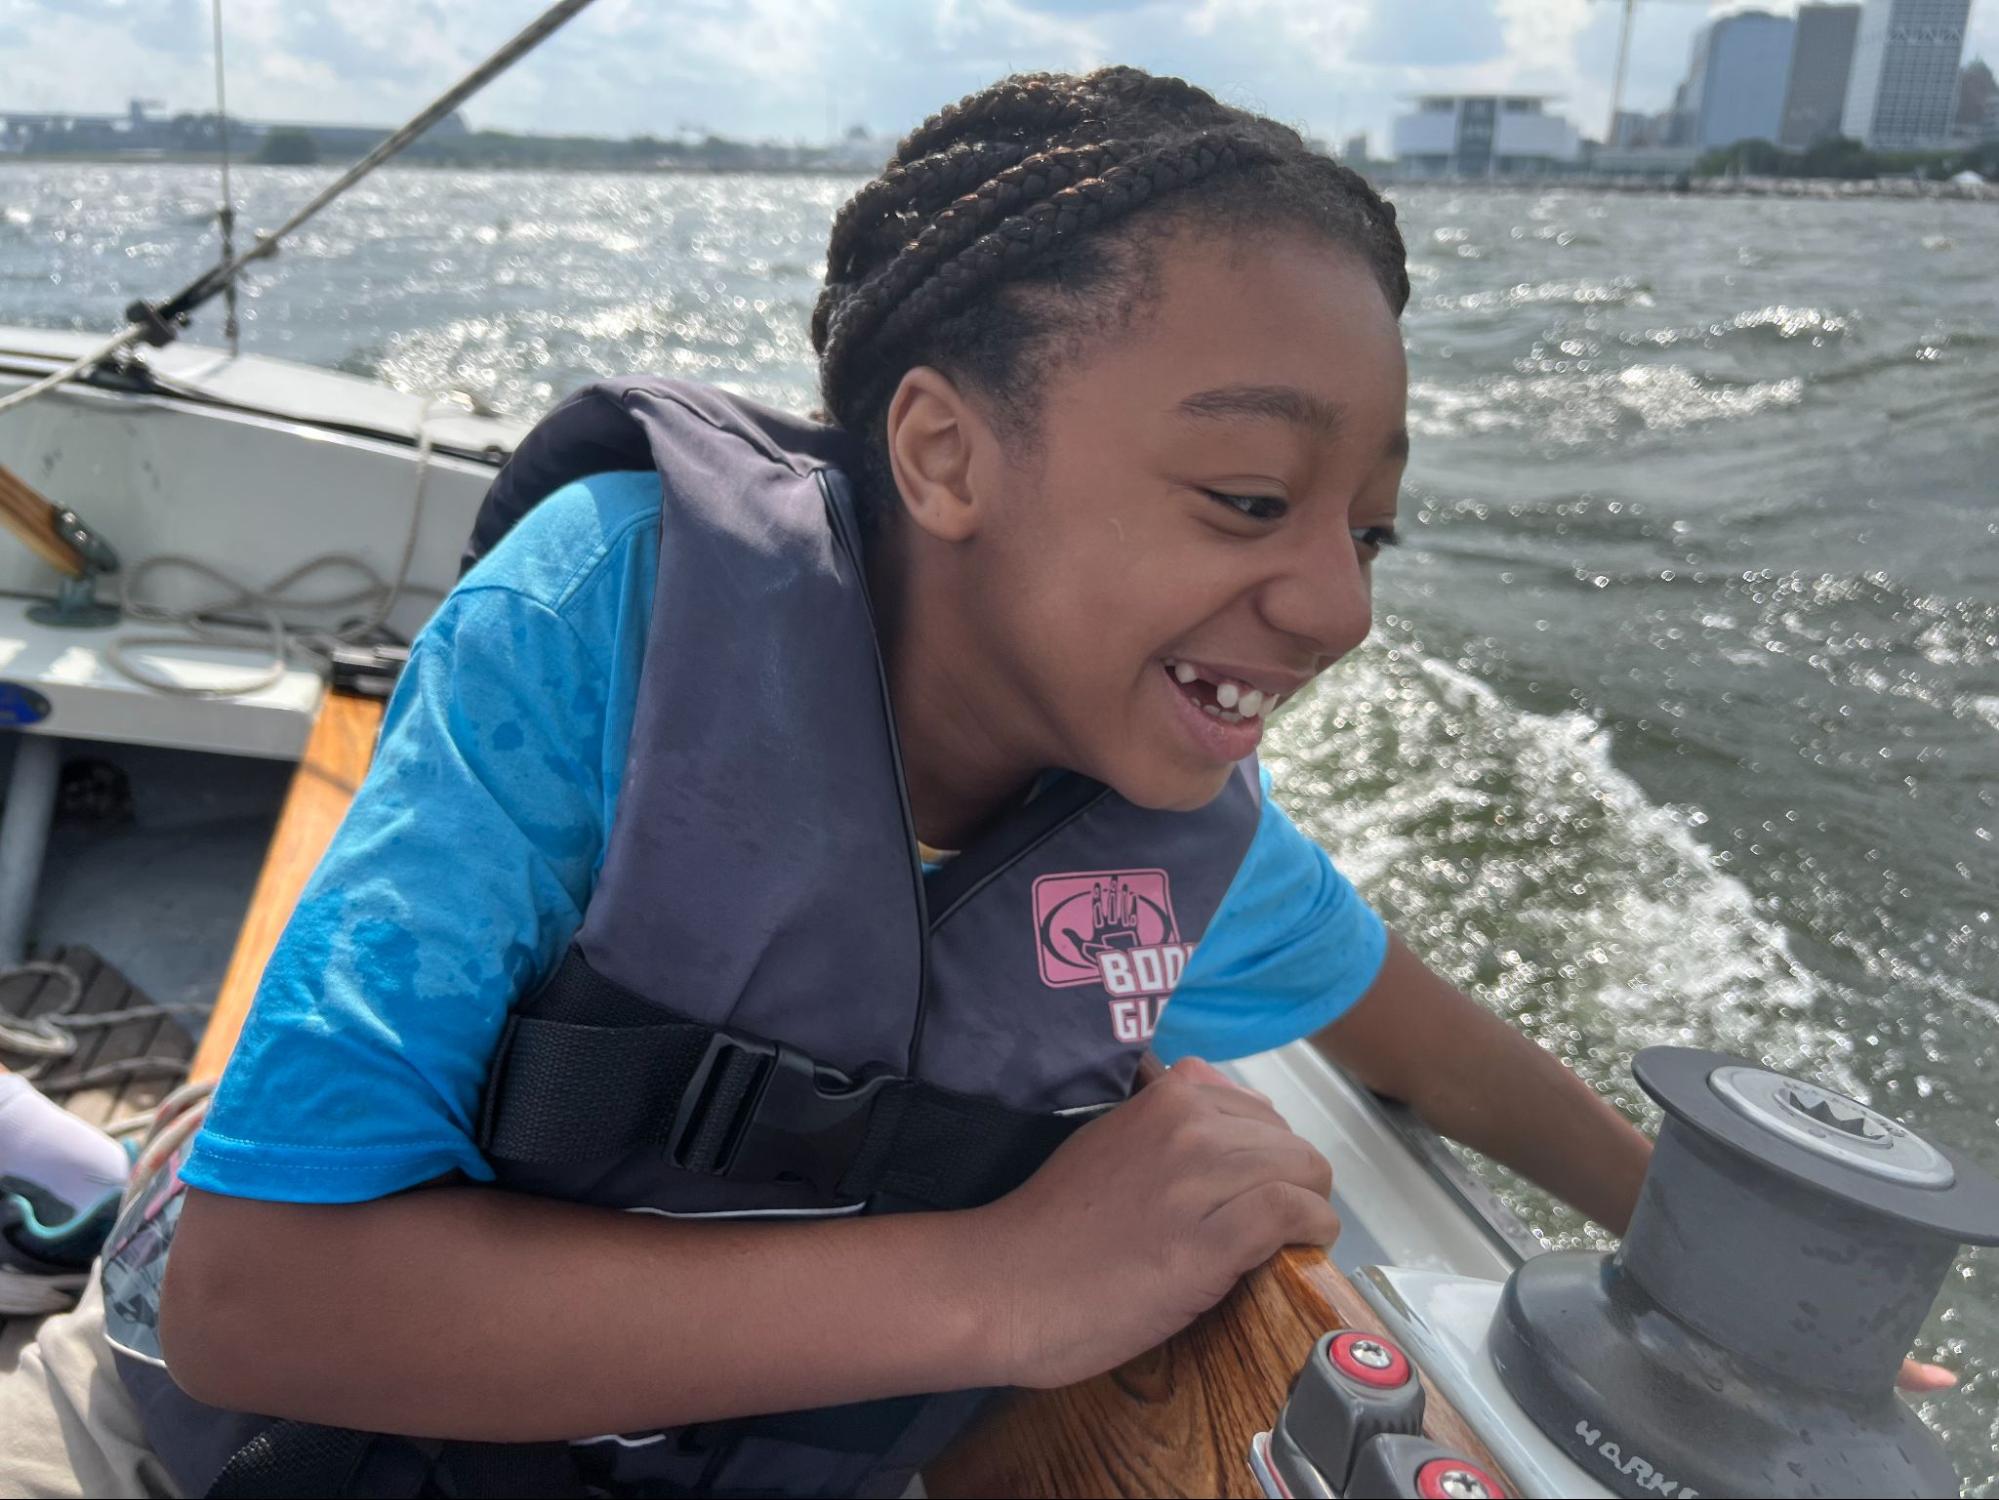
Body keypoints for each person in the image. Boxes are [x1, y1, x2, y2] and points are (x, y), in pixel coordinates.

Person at [0, 66, 1953, 1499]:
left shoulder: (1177, 842)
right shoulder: (600, 626)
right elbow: (264, 1298)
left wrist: (1717, 1290)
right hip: (202, 1434)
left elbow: (1423, 1054)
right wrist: (1003, 1290)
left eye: (1373, 531)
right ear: (941, 456)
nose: (1336, 602)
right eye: (1252, 502)